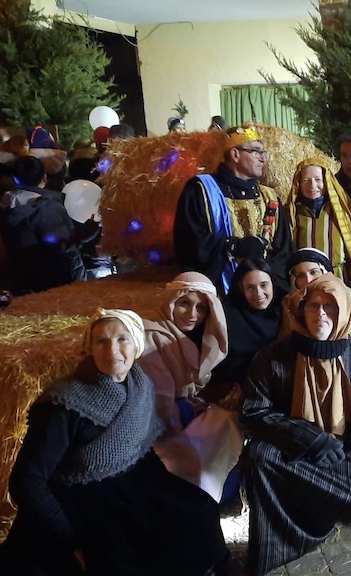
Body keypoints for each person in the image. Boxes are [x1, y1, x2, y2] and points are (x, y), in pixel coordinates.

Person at [0, 309, 227, 576]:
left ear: (137, 345)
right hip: (82, 501)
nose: (112, 350)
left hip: (132, 487)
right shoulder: (64, 404)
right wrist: (69, 538)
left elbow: (139, 450)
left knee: (199, 514)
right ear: (89, 348)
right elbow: (26, 480)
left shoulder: (140, 386)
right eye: (101, 341)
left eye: (122, 339)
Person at [241, 275, 351, 575]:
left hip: (339, 449)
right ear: (301, 310)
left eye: (330, 307)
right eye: (313, 305)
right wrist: (308, 437)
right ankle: (279, 540)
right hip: (293, 449)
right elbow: (255, 412)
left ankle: (311, 514)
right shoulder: (273, 357)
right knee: (259, 456)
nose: (320, 313)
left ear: (343, 312)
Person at [139, 272, 243, 502]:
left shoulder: (193, 336)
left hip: (183, 411)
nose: (192, 314)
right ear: (171, 301)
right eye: (184, 303)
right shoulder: (151, 335)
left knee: (230, 422)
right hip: (158, 424)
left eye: (201, 307)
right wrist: (193, 407)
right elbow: (158, 401)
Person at [173, 125, 293, 295]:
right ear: (235, 154)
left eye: (263, 153)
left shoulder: (269, 197)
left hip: (263, 296)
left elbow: (283, 252)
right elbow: (188, 243)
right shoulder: (202, 189)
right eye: (256, 152)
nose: (263, 159)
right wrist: (232, 247)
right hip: (218, 294)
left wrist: (264, 280)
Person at [0, 157, 96, 293]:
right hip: (59, 282)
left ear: (14, 178)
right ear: (44, 177)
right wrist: (85, 233)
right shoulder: (48, 208)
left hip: (25, 280)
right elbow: (60, 246)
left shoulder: (2, 205)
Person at [211, 258, 286, 394]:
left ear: (273, 284)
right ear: (241, 289)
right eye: (250, 287)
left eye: (264, 285)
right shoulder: (226, 316)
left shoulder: (285, 310)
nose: (258, 293)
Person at [287, 157, 351, 280]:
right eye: (306, 180)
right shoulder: (292, 213)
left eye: (318, 180)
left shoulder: (340, 211)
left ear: (327, 181)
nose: (312, 185)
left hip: (337, 277)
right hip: (305, 279)